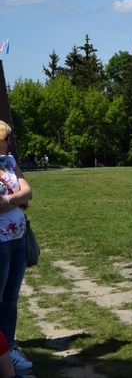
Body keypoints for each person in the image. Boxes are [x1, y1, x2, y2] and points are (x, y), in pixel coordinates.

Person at [0, 121, 34, 371]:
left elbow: (28, 192)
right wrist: (17, 199)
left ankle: (9, 347)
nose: (9, 143)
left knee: (11, 298)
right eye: (6, 138)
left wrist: (10, 199)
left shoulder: (8, 162)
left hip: (18, 238)